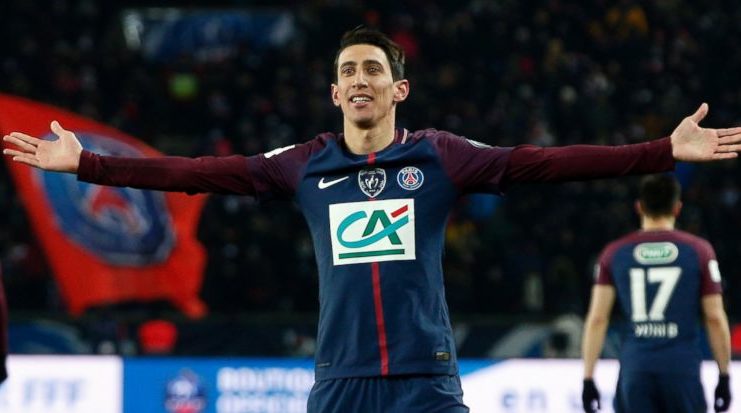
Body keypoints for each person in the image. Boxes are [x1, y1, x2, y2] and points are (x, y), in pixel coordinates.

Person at [4, 26, 741, 412]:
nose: (360, 79)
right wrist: (90, 165)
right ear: (334, 93)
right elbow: (194, 174)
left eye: (372, 70)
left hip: (427, 382)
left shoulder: (441, 157)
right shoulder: (302, 164)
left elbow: (543, 163)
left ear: (398, 88)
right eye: (348, 71)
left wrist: (659, 150)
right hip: (341, 382)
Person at [581, 174, 731, 413]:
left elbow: (598, 318)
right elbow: (714, 317)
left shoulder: (614, 253)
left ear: (639, 207)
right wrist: (724, 376)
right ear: (677, 208)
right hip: (681, 370)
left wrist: (588, 379)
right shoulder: (699, 251)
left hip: (635, 370)